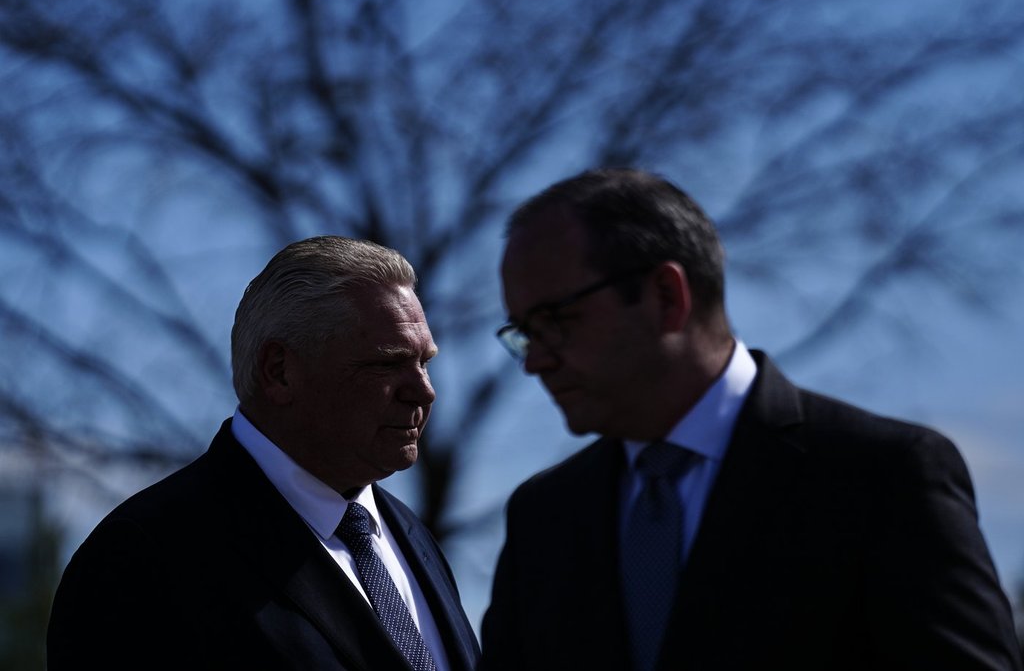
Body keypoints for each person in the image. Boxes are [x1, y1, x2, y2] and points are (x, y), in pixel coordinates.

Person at [479, 168, 1022, 671]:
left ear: (667, 297)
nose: (535, 360)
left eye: (555, 320)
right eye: (523, 331)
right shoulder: (543, 516)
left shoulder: (880, 476)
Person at [48, 236, 480, 670]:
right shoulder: (144, 556)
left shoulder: (409, 535)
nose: (424, 391)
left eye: (424, 362)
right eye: (387, 363)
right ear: (280, 371)